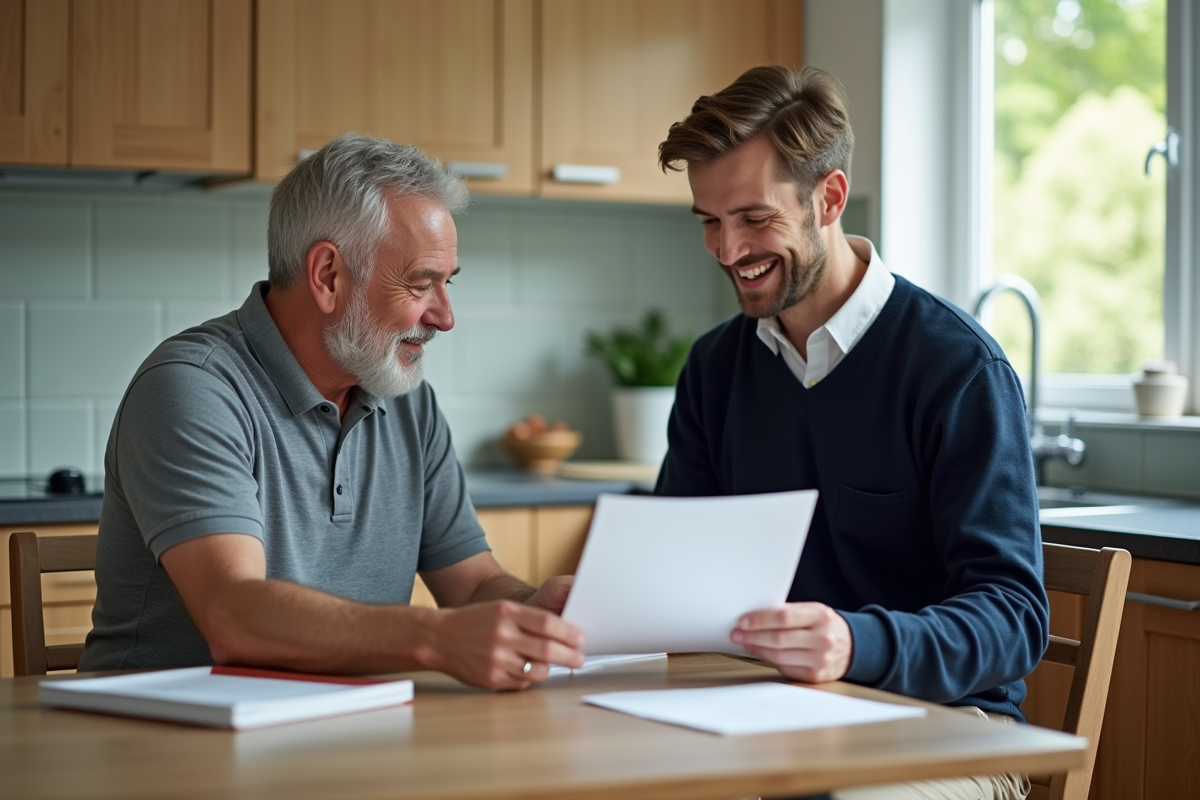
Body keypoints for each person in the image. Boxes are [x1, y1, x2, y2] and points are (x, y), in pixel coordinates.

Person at [655, 66, 1046, 799]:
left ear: (829, 198)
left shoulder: (956, 368)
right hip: (767, 714)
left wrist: (854, 641)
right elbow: (679, 573)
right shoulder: (715, 367)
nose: (727, 250)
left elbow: (1013, 618)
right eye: (709, 221)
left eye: (754, 218)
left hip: (947, 728)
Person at [80, 134, 585, 689]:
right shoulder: (193, 387)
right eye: (421, 284)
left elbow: (471, 586)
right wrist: (435, 638)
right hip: (164, 729)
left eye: (447, 284)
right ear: (327, 276)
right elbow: (233, 616)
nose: (444, 317)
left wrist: (531, 610)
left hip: (343, 721)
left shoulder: (407, 400)